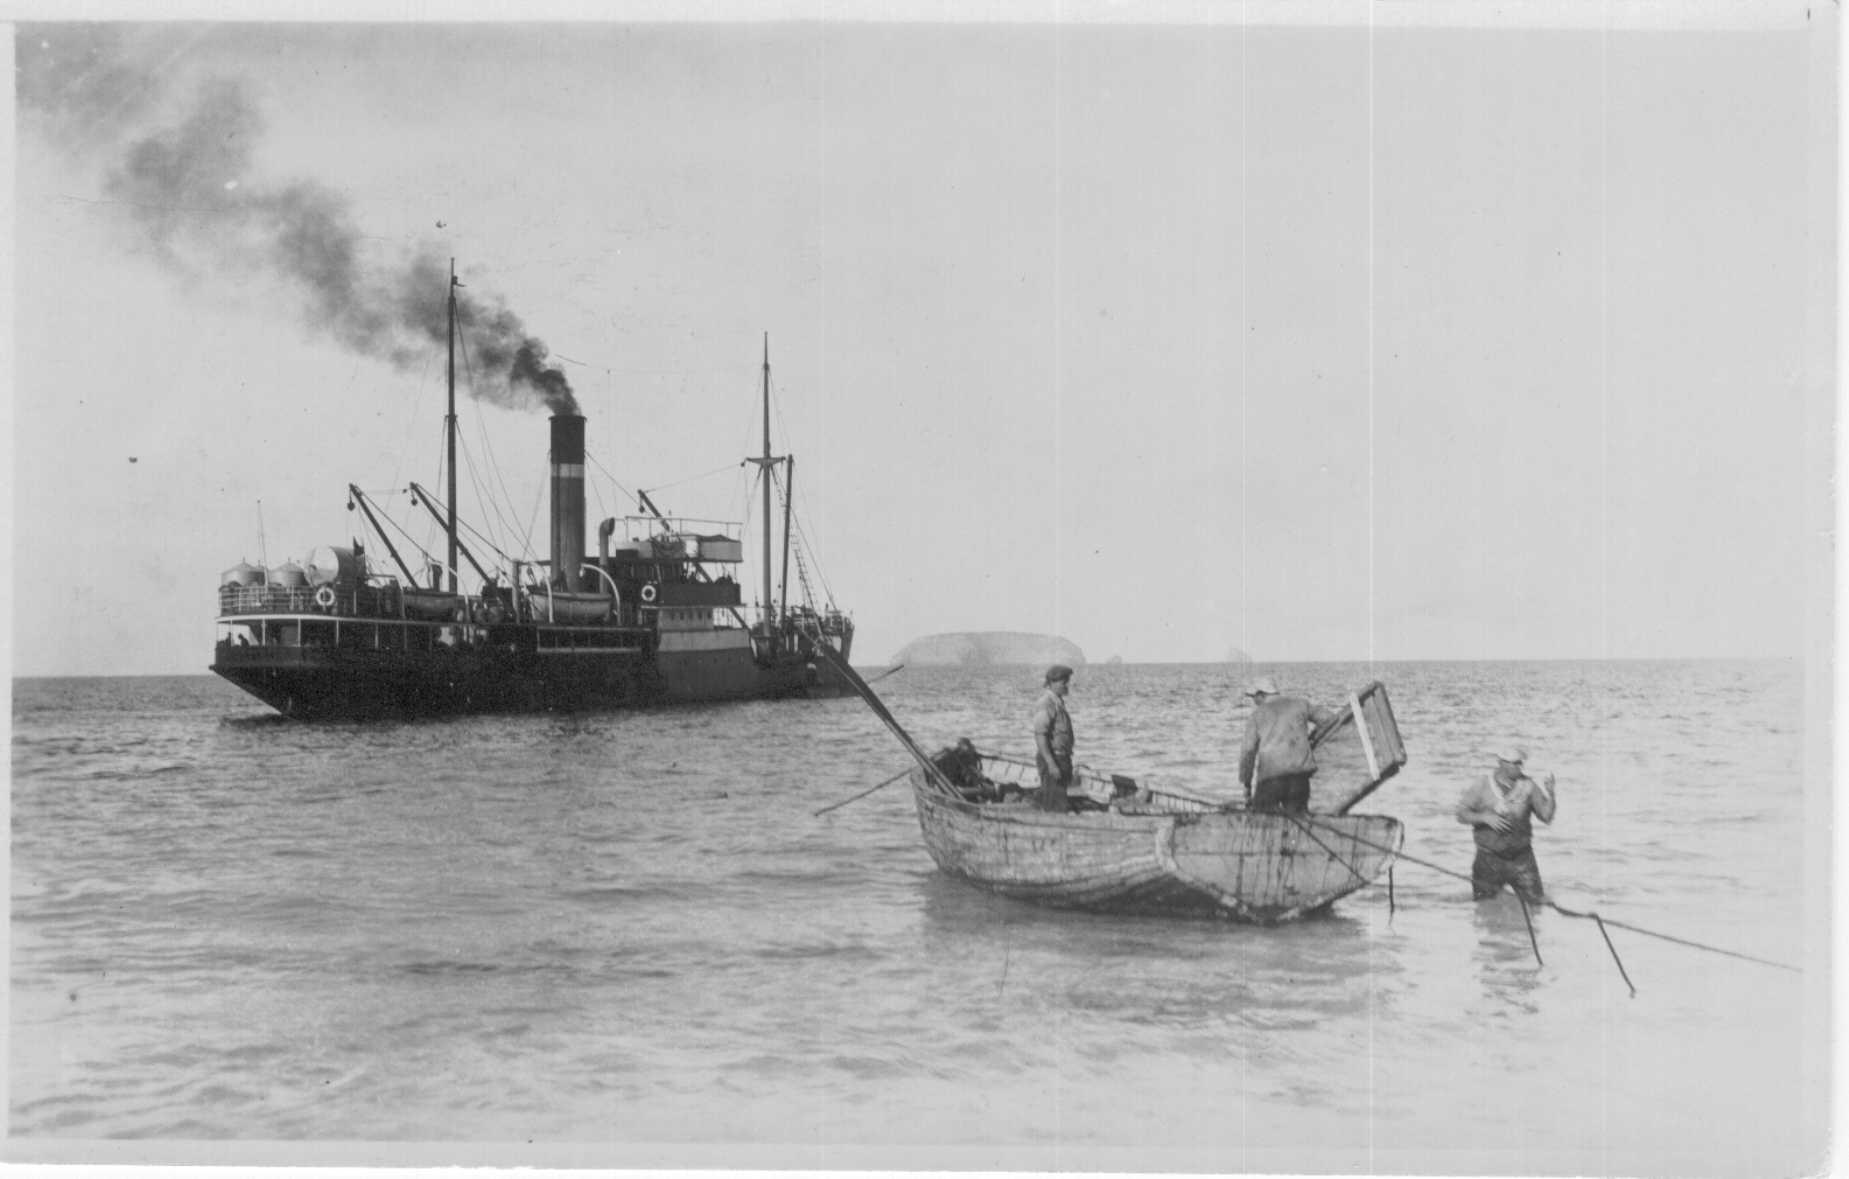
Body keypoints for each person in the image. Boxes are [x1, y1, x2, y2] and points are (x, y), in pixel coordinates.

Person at [1456, 747, 1557, 903]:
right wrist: (1484, 817)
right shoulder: (1482, 784)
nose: (1519, 767)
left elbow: (1547, 816)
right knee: (1484, 906)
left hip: (1522, 859)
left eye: (1520, 763)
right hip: (1488, 858)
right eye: (1515, 764)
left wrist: (1551, 793)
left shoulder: (1528, 785)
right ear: (1501, 763)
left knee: (1536, 904)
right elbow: (1461, 813)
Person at [1237, 676, 1336, 812]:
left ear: (1261, 694)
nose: (1253, 701)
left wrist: (1246, 783)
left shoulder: (1256, 715)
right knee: (1299, 824)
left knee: (1263, 824)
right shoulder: (1301, 704)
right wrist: (1312, 738)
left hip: (1270, 780)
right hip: (1299, 778)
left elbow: (1248, 751)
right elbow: (1330, 719)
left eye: (1253, 697)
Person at [1031, 664, 1075, 813]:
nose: (1068, 685)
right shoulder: (1046, 703)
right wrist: (1051, 764)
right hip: (1053, 760)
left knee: (1059, 802)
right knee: (1055, 807)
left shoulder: (1058, 703)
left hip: (1061, 759)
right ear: (1053, 683)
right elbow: (1040, 735)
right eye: (1064, 682)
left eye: (1068, 681)